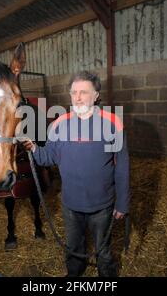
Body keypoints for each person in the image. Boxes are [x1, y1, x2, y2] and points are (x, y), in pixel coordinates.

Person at [22, 71, 130, 277]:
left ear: (96, 95)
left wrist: (123, 203)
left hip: (102, 204)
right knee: (73, 247)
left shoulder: (112, 123)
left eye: (84, 92)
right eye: (74, 92)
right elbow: (48, 157)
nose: (78, 97)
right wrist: (34, 148)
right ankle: (74, 275)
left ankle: (107, 277)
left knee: (103, 250)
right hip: (71, 204)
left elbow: (122, 166)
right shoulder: (59, 124)